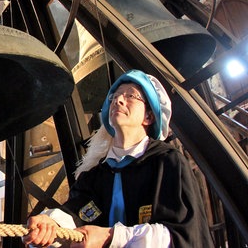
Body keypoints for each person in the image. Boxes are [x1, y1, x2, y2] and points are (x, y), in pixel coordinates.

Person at [23, 69, 213, 247]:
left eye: (130, 95)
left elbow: (182, 235)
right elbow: (78, 213)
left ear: (149, 116)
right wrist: (50, 223)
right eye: (114, 96)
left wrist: (111, 237)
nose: (118, 100)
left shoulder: (167, 162)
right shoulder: (95, 177)